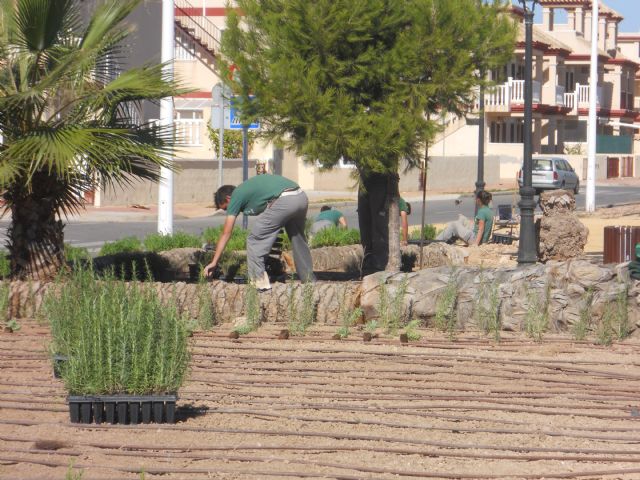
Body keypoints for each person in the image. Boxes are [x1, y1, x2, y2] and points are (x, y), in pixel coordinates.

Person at [204, 174, 315, 290]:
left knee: (254, 240)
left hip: (284, 200)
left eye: (226, 208)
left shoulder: (236, 196)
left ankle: (260, 285)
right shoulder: (247, 191)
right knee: (298, 239)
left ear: (228, 198)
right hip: (301, 197)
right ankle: (308, 282)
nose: (229, 210)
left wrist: (214, 262)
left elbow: (226, 232)